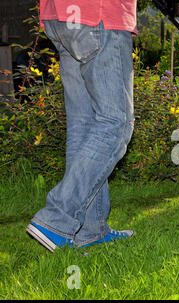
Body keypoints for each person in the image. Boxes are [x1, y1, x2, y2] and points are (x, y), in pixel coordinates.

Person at [26, 0, 138, 252]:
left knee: (84, 123)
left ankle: (90, 229)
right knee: (116, 123)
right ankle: (56, 219)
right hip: (99, 15)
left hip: (61, 16)